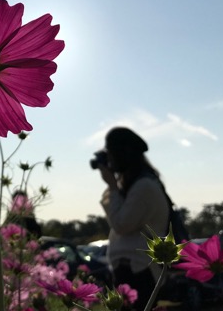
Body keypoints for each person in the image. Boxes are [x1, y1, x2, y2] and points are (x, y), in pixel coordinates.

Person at [95, 127, 169, 310]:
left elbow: (121, 224)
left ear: (122, 154)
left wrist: (112, 186)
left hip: (139, 271)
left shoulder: (144, 186)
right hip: (131, 270)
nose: (109, 160)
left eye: (111, 154)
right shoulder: (137, 184)